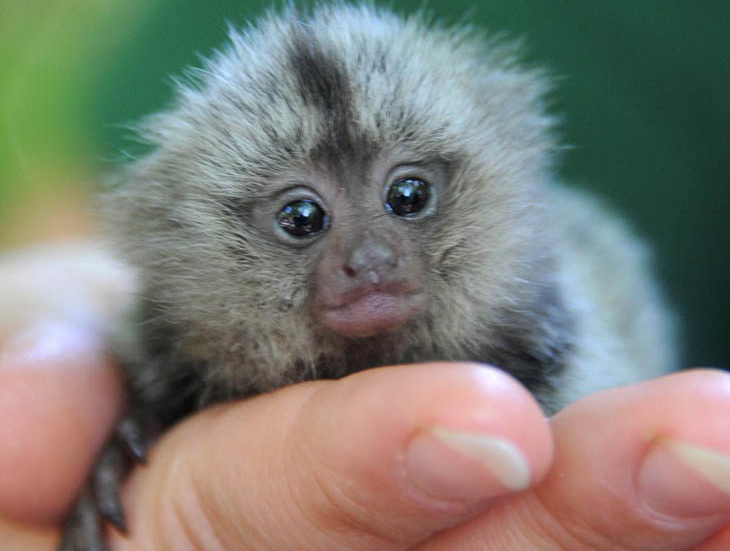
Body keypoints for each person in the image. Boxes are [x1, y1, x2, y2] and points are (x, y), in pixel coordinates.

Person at [2, 243, 729, 551]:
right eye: (303, 221)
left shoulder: (550, 313)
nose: (369, 256)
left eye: (408, 198)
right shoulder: (168, 333)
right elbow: (86, 216)